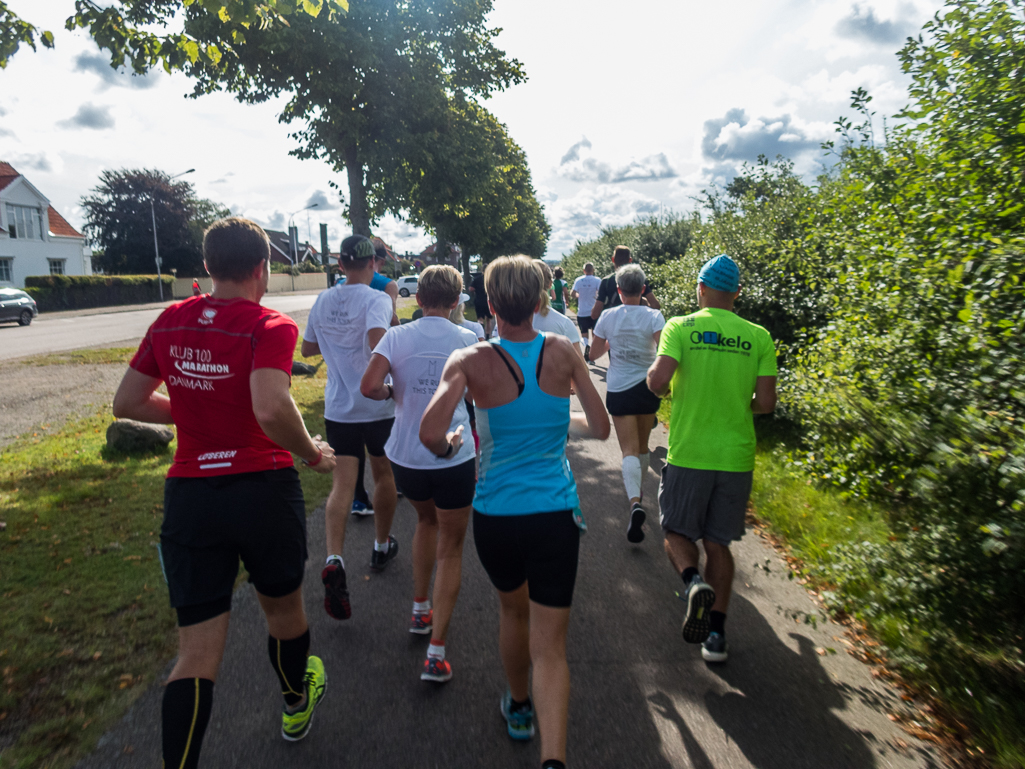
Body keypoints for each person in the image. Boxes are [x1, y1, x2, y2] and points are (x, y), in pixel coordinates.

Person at [112, 217, 336, 766]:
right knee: (283, 612)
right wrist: (311, 453)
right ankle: (293, 703)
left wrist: (191, 413)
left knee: (195, 653)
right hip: (262, 489)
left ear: (208, 267)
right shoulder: (271, 325)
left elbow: (128, 403)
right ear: (263, 267)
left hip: (193, 497)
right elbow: (270, 406)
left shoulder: (169, 321)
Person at [421, 255, 609, 769]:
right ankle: (554, 759)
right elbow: (600, 428)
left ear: (489, 302)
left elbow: (430, 434)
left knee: (512, 610)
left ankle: (520, 708)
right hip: (554, 513)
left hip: (497, 515)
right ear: (541, 300)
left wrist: (451, 444)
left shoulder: (468, 359)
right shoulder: (565, 351)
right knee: (551, 646)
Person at [646, 254, 777, 663]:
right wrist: (736, 404)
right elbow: (767, 403)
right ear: (737, 293)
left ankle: (691, 584)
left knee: (677, 533)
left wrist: (668, 391)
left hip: (690, 453)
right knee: (719, 542)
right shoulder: (759, 336)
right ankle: (716, 636)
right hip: (736, 457)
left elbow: (657, 381)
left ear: (700, 289)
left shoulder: (681, 327)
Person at [360, 265, 479, 683]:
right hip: (453, 456)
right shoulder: (469, 338)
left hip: (406, 456)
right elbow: (479, 396)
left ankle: (418, 608)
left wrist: (396, 393)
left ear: (419, 298)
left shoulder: (395, 337)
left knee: (425, 522)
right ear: (454, 300)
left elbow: (368, 386)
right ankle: (436, 652)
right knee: (452, 544)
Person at [302, 234, 399, 622]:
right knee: (383, 473)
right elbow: (380, 345)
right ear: (373, 263)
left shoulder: (324, 299)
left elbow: (308, 348)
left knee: (342, 484)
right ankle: (380, 545)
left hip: (339, 407)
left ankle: (334, 557)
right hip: (376, 405)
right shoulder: (377, 299)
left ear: (341, 265)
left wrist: (335, 342)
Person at [588, 264, 665, 544]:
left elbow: (594, 354)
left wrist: (609, 345)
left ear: (618, 290)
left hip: (619, 388)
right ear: (643, 289)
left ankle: (635, 502)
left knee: (628, 450)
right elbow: (663, 352)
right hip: (647, 388)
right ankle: (639, 493)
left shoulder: (608, 316)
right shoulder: (655, 316)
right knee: (642, 447)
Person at [590, 245, 661, 321]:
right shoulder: (638, 278)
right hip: (637, 324)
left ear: (613, 259)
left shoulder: (606, 281)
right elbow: (656, 306)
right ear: (630, 260)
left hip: (614, 325)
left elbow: (595, 314)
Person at [571, 263, 601, 360]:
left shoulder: (578, 280)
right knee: (594, 332)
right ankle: (592, 350)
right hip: (594, 311)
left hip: (582, 311)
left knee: (584, 332)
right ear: (593, 270)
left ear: (584, 270)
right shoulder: (597, 280)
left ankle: (586, 346)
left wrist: (578, 296)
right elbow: (601, 294)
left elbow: (572, 293)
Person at [470, 270, 495, 338]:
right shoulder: (490, 279)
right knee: (488, 319)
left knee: (480, 318)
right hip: (488, 301)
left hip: (479, 301)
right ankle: (487, 335)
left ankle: (480, 333)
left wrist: (476, 290)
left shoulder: (477, 279)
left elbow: (471, 288)